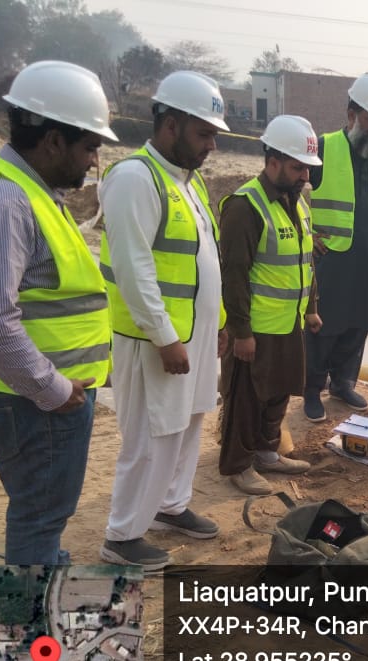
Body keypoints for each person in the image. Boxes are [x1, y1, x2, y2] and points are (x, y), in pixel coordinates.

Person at [0, 60, 117, 565]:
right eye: (89, 146)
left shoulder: (35, 192)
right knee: (38, 517)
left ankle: (42, 606)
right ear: (53, 140)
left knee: (43, 515)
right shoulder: (4, 201)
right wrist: (54, 389)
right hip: (35, 401)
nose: (93, 160)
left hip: (42, 398)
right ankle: (31, 638)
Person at [98, 71, 230, 571]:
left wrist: (215, 325)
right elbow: (135, 270)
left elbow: (199, 263)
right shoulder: (135, 178)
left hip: (190, 339)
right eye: (204, 134)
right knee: (151, 437)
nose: (212, 146)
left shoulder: (185, 184)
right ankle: (122, 534)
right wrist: (165, 336)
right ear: (170, 125)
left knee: (189, 423)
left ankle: (170, 506)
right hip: (156, 342)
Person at [219, 115, 323, 495]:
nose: (304, 177)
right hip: (256, 329)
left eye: (307, 169)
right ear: (273, 161)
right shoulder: (245, 207)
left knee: (278, 392)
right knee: (246, 400)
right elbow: (233, 275)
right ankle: (237, 465)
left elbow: (305, 260)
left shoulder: (296, 204)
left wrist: (311, 308)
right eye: (298, 168)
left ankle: (266, 453)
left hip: (287, 324)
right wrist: (240, 332)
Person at [304, 73, 368, 422]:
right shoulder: (323, 146)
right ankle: (312, 389)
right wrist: (306, 234)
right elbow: (288, 188)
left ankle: (343, 383)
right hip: (330, 258)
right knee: (323, 325)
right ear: (351, 115)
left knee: (359, 322)